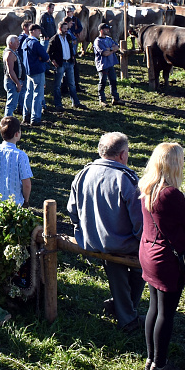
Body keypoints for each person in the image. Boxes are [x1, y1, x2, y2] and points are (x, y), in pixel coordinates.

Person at [66, 131, 143, 332]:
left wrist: (82, 229)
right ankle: (127, 318)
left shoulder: (82, 173)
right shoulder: (127, 178)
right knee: (139, 268)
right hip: (121, 244)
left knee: (117, 268)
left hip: (90, 240)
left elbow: (71, 209)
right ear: (122, 154)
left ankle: (120, 306)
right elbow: (139, 219)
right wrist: (141, 240)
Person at [138, 142, 185, 370]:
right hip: (167, 260)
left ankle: (150, 358)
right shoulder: (170, 194)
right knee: (166, 313)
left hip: (148, 253)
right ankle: (161, 364)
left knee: (153, 308)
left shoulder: (146, 187)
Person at [0, 116, 32, 205]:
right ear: (17, 134)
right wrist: (26, 200)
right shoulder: (21, 155)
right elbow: (26, 184)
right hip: (14, 204)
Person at [48, 19, 82, 111]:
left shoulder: (68, 37)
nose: (66, 30)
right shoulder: (54, 39)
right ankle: (58, 104)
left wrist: (73, 58)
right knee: (57, 85)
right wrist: (53, 61)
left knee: (72, 83)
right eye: (64, 28)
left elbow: (71, 48)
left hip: (69, 62)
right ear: (60, 28)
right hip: (60, 63)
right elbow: (49, 52)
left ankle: (75, 102)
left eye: (67, 28)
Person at [21, 24, 49, 126]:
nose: (40, 33)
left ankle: (26, 116)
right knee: (38, 94)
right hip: (37, 70)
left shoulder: (25, 41)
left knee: (29, 93)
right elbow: (46, 57)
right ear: (32, 31)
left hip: (29, 71)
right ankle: (35, 118)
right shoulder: (35, 43)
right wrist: (41, 58)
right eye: (38, 31)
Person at [95, 23, 124, 106]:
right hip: (103, 65)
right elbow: (104, 53)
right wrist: (112, 49)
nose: (108, 30)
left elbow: (117, 47)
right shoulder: (98, 41)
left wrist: (110, 49)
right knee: (102, 82)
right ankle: (102, 99)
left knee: (113, 81)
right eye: (106, 29)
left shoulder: (108, 39)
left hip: (110, 64)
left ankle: (115, 98)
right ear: (101, 30)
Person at [2, 35, 26, 117]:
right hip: (12, 81)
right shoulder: (10, 54)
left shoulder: (13, 52)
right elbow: (10, 71)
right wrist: (17, 83)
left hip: (15, 80)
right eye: (16, 42)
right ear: (10, 43)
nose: (18, 43)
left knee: (14, 102)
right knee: (11, 103)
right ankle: (7, 120)